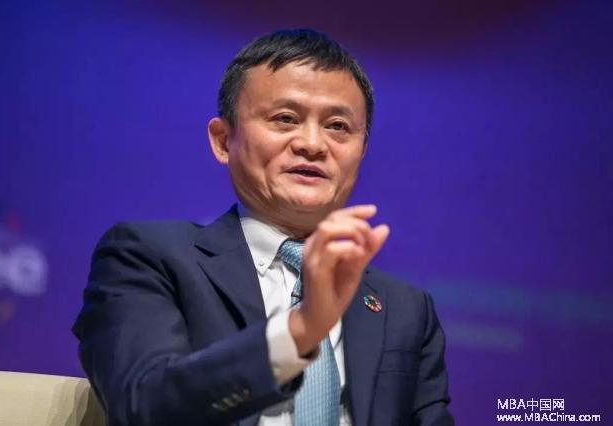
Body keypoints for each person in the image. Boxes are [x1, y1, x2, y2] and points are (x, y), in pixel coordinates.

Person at [73, 29, 453, 426]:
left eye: (338, 126)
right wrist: (301, 330)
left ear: (362, 150)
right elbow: (144, 406)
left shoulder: (404, 307)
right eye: (285, 119)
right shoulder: (147, 257)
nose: (313, 144)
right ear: (223, 140)